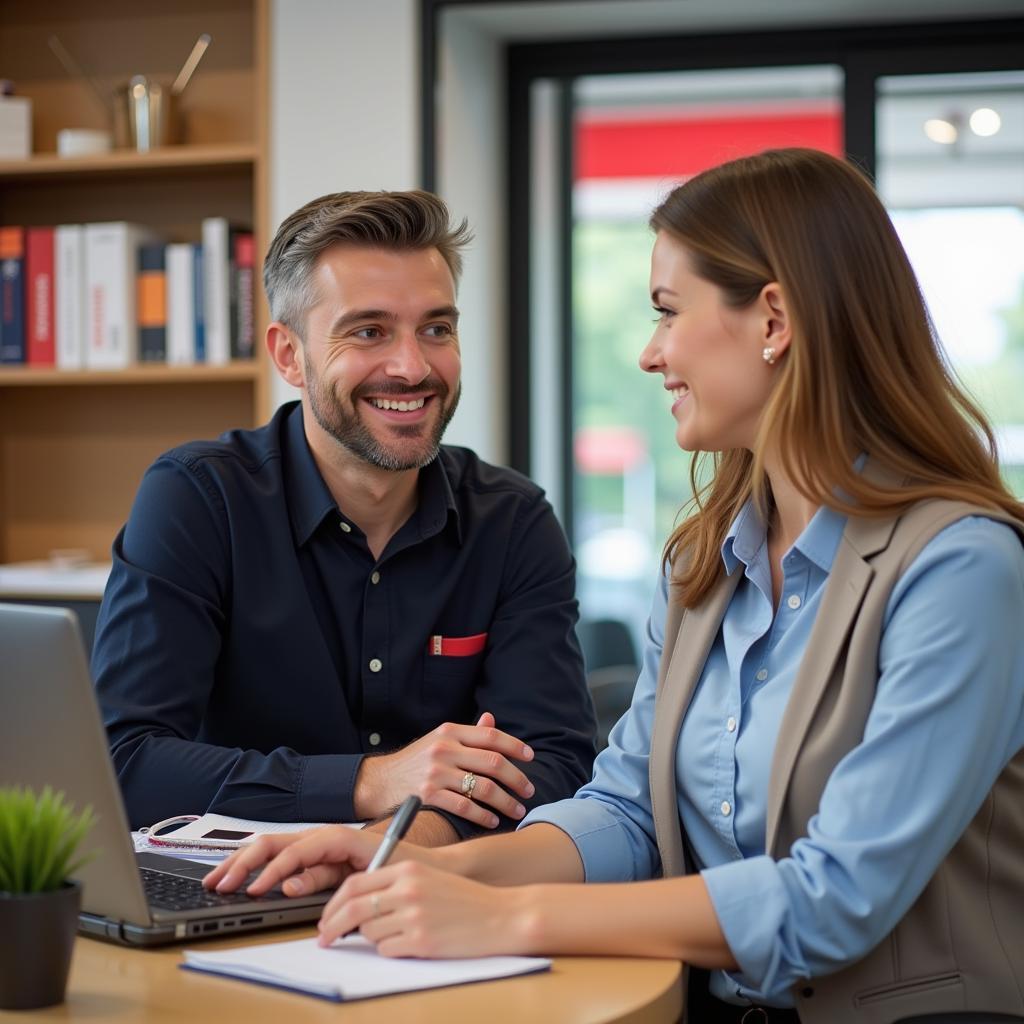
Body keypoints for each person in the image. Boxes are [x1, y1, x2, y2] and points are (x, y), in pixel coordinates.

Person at [205, 149, 1024, 1024]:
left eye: (668, 312)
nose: (649, 352)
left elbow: (835, 898)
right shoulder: (707, 567)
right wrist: (411, 863)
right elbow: (627, 810)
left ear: (774, 321)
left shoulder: (962, 569)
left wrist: (503, 914)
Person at [92, 189, 596, 845]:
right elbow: (123, 761)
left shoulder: (512, 521)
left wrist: (381, 850)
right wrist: (369, 782)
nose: (413, 367)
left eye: (437, 329)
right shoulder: (199, 499)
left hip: (439, 895)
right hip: (224, 893)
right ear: (288, 355)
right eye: (368, 331)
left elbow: (552, 766)